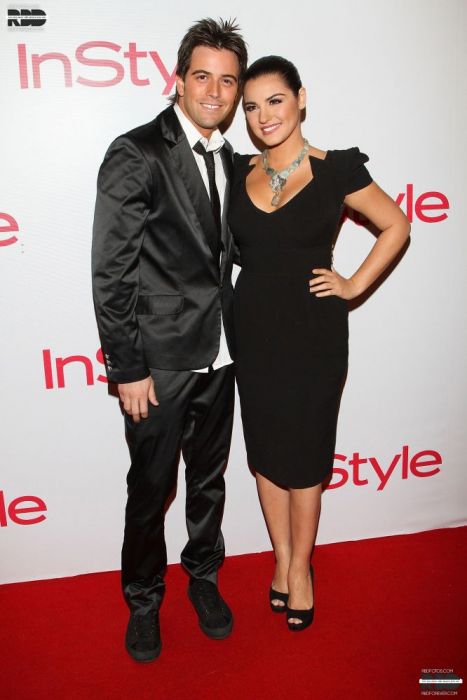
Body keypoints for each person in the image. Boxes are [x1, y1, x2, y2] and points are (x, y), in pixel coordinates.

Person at [228, 56, 410, 631]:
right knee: (264, 451)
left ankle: (301, 568)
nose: (264, 116)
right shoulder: (235, 169)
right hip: (252, 328)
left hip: (314, 332)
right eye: (251, 107)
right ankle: (281, 558)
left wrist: (353, 284)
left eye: (275, 100)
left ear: (301, 98)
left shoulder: (337, 170)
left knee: (305, 454)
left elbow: (397, 224)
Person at [91, 18, 248, 662]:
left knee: (209, 480)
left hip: (221, 353)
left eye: (228, 81)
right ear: (177, 80)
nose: (214, 91)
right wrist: (128, 367)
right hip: (157, 363)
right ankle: (143, 599)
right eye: (202, 76)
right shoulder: (137, 152)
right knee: (151, 489)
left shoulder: (234, 160)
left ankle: (203, 577)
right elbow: (112, 270)